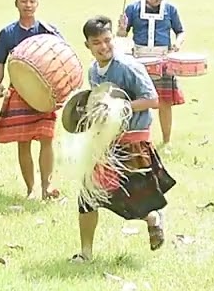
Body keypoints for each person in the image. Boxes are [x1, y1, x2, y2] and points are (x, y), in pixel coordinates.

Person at [71, 16, 176, 263]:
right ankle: (86, 253)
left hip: (133, 141)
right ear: (87, 45)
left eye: (107, 40)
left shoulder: (128, 67)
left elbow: (152, 100)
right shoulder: (93, 71)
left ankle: (152, 217)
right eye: (96, 42)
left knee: (133, 200)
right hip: (106, 143)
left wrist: (120, 107)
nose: (103, 46)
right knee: (88, 196)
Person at [0, 0, 63, 200]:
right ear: (16, 3)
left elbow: (62, 55)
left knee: (47, 138)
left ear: (37, 3)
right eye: (24, 1)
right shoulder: (7, 33)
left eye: (32, 1)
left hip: (45, 93)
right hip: (19, 92)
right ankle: (31, 189)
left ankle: (46, 187)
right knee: (24, 141)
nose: (28, 5)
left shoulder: (49, 30)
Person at [117, 0, 186, 146]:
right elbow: (122, 35)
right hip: (139, 60)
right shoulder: (133, 8)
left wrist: (177, 43)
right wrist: (121, 29)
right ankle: (135, 140)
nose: (158, 1)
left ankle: (166, 141)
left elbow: (180, 31)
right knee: (138, 101)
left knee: (165, 102)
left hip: (163, 60)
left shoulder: (170, 10)